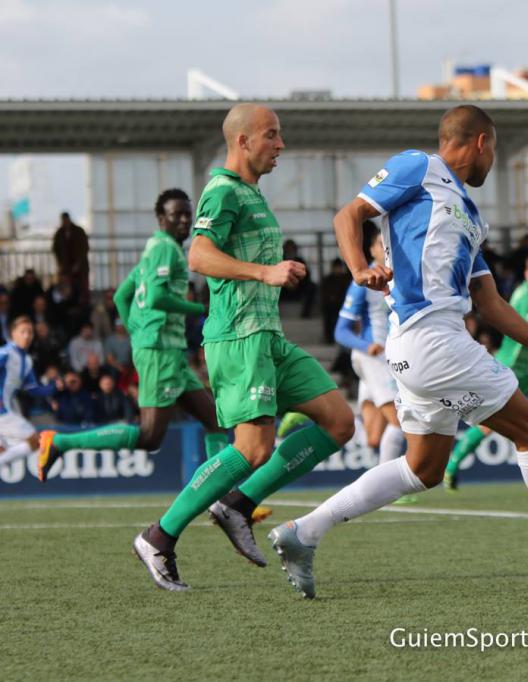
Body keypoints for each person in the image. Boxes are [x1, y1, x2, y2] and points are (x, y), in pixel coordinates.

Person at [268, 104, 528, 598]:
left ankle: (304, 532)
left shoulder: (470, 217)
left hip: (421, 347)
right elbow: (349, 214)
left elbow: (490, 304)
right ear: (480, 142)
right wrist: (360, 267)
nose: (492, 161)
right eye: (493, 150)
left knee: (422, 469)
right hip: (431, 338)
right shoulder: (419, 166)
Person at [130, 105, 355, 592]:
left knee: (339, 422)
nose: (281, 144)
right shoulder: (222, 190)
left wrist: (277, 271)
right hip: (238, 338)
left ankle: (237, 504)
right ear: (243, 141)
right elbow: (199, 254)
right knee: (252, 449)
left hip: (269, 337)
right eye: (271, 135)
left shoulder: (251, 192)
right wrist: (265, 272)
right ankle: (159, 537)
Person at [37, 190, 231, 494]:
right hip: (160, 352)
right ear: (161, 218)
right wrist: (200, 308)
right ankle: (60, 442)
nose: (184, 220)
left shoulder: (152, 250)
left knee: (215, 422)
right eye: (176, 214)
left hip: (166, 351)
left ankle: (222, 498)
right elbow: (156, 297)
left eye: (187, 214)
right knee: (149, 436)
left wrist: (136, 334)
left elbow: (121, 296)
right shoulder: (166, 249)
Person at [444, 251, 528, 491]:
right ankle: (451, 467)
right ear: (527, 274)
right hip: (510, 367)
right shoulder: (525, 296)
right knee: (487, 426)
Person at [332, 224, 410, 500]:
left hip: (389, 358)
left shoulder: (402, 276)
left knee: (375, 437)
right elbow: (340, 331)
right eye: (380, 243)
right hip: (373, 357)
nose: (386, 248)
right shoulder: (363, 282)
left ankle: (318, 417)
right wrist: (369, 346)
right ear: (371, 250)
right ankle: (388, 489)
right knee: (400, 422)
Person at [0, 317, 56, 466]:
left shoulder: (27, 361)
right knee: (35, 440)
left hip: (7, 409)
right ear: (13, 333)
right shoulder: (5, 353)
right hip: (2, 410)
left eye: (30, 332)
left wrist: (54, 386)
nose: (26, 336)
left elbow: (33, 390)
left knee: (3, 451)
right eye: (23, 331)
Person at [52, 212, 90, 303]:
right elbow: (55, 249)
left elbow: (85, 248)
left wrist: (78, 264)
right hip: (66, 268)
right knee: (68, 288)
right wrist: (60, 264)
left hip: (81, 268)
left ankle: (84, 305)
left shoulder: (79, 231)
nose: (65, 222)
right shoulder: (59, 233)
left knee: (82, 288)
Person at [319, 257, 351, 343]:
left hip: (342, 305)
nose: (338, 269)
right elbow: (324, 293)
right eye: (336, 267)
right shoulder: (327, 279)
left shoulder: (346, 279)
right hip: (330, 305)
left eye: (339, 267)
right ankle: (329, 338)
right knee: (328, 316)